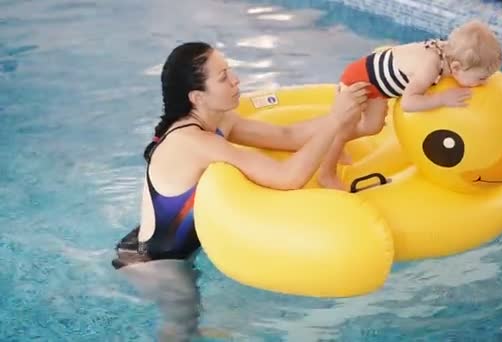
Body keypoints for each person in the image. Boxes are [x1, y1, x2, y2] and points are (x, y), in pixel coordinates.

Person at [111, 42, 369, 341]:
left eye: (230, 70)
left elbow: (289, 136)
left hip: (159, 241)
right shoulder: (191, 141)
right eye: (223, 77)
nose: (236, 80)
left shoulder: (219, 121)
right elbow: (288, 178)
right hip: (155, 262)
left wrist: (350, 118)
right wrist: (336, 119)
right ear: (197, 97)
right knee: (182, 328)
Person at [317, 20, 502, 190]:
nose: (484, 83)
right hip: (359, 82)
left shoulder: (451, 55)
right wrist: (442, 99)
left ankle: (334, 143)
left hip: (375, 83)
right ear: (455, 68)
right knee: (349, 127)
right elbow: (409, 102)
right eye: (482, 78)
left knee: (371, 126)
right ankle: (326, 173)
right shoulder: (430, 66)